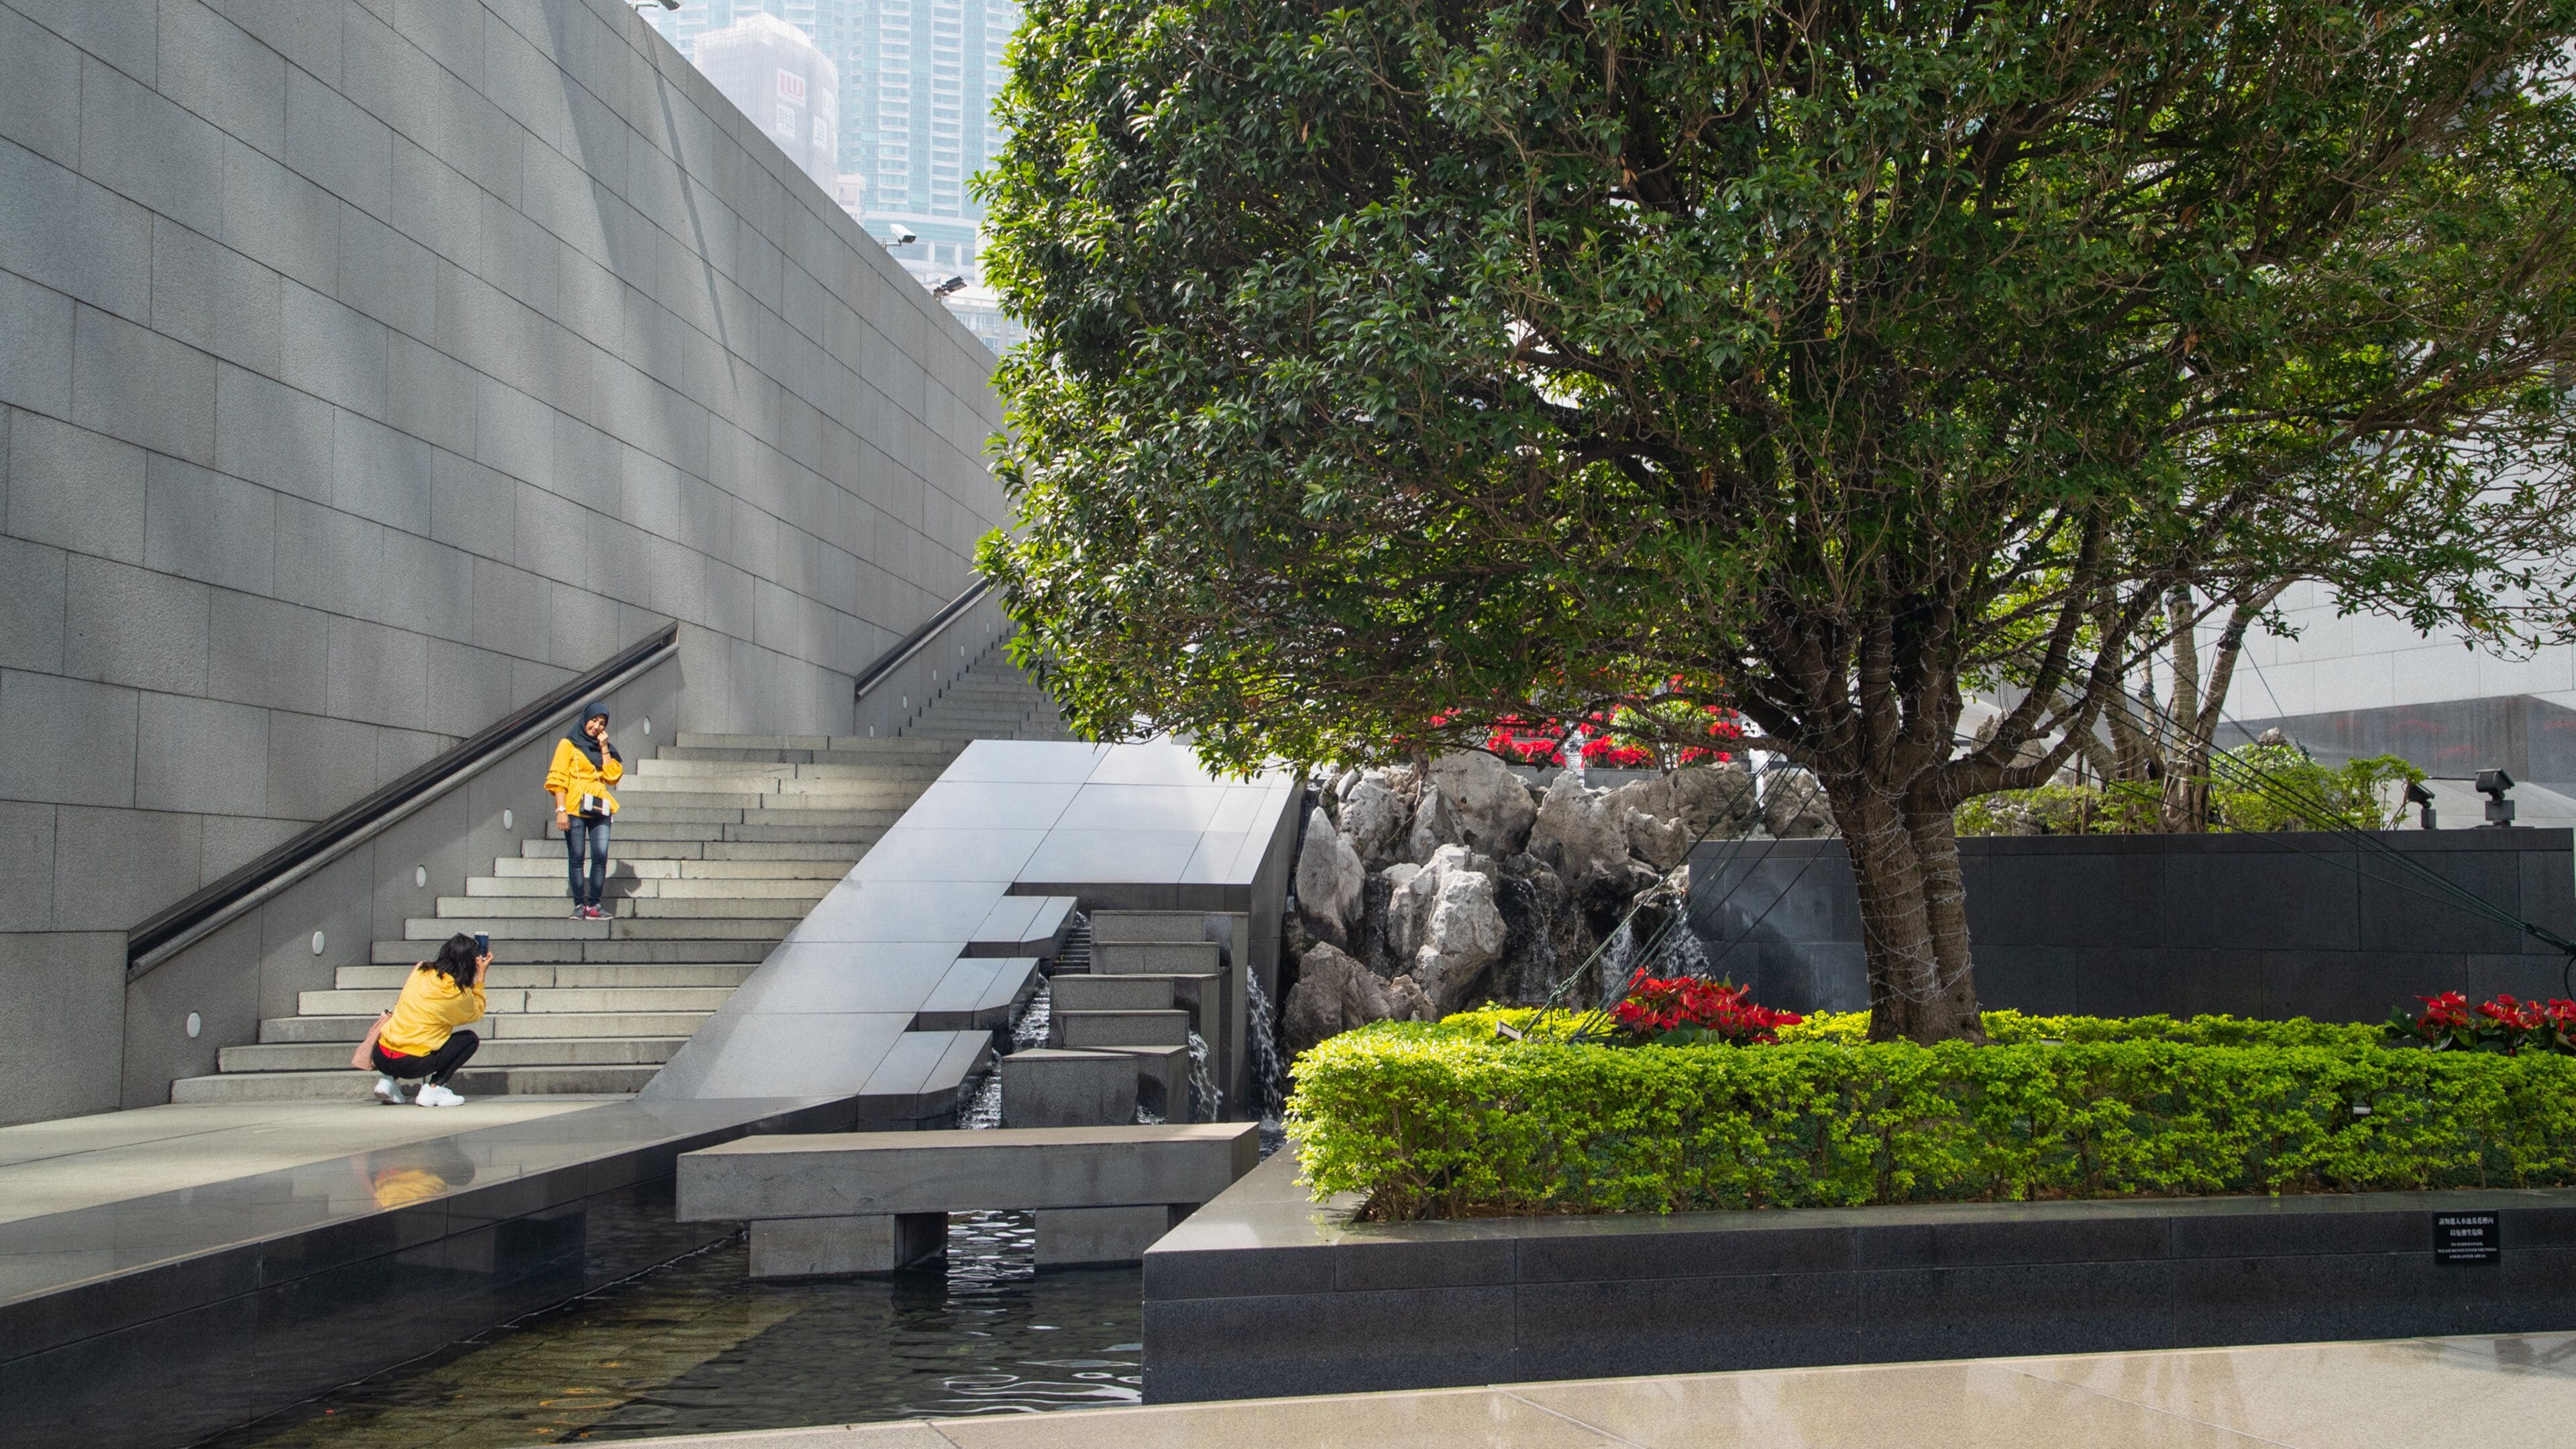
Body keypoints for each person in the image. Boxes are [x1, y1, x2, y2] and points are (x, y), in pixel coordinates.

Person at [370, 934, 487, 1106]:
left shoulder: (421, 969)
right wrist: (481, 976)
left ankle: (387, 1081)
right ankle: (434, 1088)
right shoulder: (457, 993)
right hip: (412, 1063)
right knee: (469, 1040)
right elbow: (477, 1012)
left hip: (381, 1054)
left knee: (409, 1029)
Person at [545, 700, 623, 920]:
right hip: (574, 807)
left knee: (600, 856)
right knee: (576, 857)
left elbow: (612, 777)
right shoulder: (568, 744)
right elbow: (558, 778)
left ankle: (595, 905)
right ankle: (580, 905)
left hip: (599, 807)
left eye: (602, 723)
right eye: (594, 720)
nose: (597, 726)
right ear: (585, 719)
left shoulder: (605, 748)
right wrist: (561, 810)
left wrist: (604, 747)